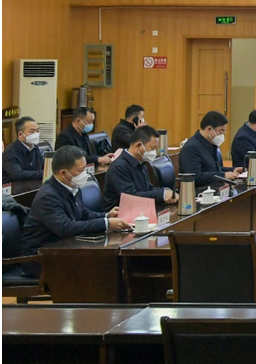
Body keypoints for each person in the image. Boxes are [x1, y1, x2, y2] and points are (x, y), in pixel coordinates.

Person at [19, 146, 129, 275]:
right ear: (63, 173)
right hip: (40, 258)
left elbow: (83, 214)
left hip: (63, 250)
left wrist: (107, 216)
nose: (85, 174)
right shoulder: (48, 196)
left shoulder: (71, 187)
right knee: (103, 267)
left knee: (114, 263)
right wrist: (107, 224)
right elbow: (65, 227)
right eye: (81, 171)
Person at [101, 125, 176, 211]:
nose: (154, 152)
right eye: (152, 148)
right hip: (119, 214)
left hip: (139, 211)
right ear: (138, 146)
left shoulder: (141, 163)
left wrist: (166, 191)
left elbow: (148, 189)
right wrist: (161, 195)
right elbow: (131, 197)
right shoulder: (118, 167)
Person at [179, 111, 243, 187]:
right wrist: (223, 175)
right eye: (221, 132)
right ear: (209, 129)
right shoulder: (191, 148)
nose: (222, 135)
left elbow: (214, 169)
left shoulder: (211, 143)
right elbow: (195, 176)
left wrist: (232, 170)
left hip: (214, 186)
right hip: (199, 190)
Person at [2, 116, 45, 183]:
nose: (36, 134)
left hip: (32, 185)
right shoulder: (10, 152)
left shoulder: (35, 148)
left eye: (37, 131)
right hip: (12, 187)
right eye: (32, 131)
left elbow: (42, 166)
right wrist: (43, 174)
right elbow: (18, 174)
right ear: (20, 134)